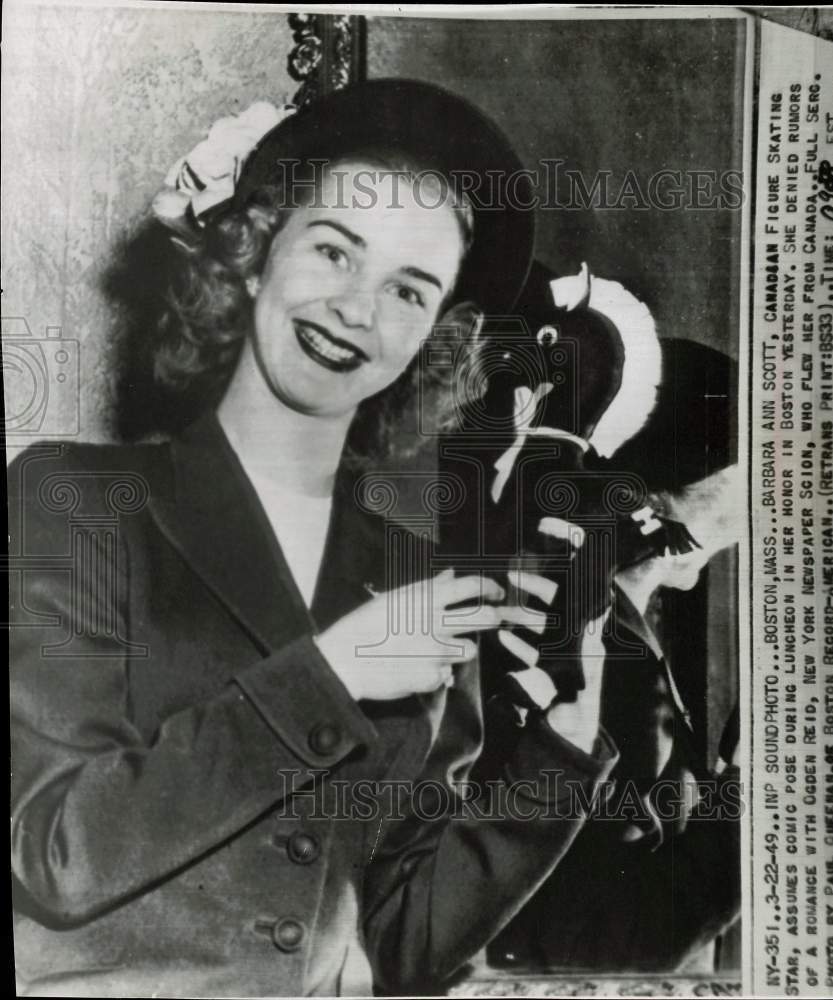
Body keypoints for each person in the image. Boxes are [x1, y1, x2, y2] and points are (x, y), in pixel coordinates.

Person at [9, 79, 618, 998]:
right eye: (334, 250)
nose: (356, 309)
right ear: (255, 253)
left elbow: (403, 941)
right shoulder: (72, 502)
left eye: (407, 291)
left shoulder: (411, 577)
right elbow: (56, 852)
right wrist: (329, 676)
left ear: (430, 339)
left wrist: (560, 756)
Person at [486, 337, 743, 972]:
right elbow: (608, 942)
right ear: (657, 503)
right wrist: (752, 802)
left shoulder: (617, 627)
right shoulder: (593, 653)